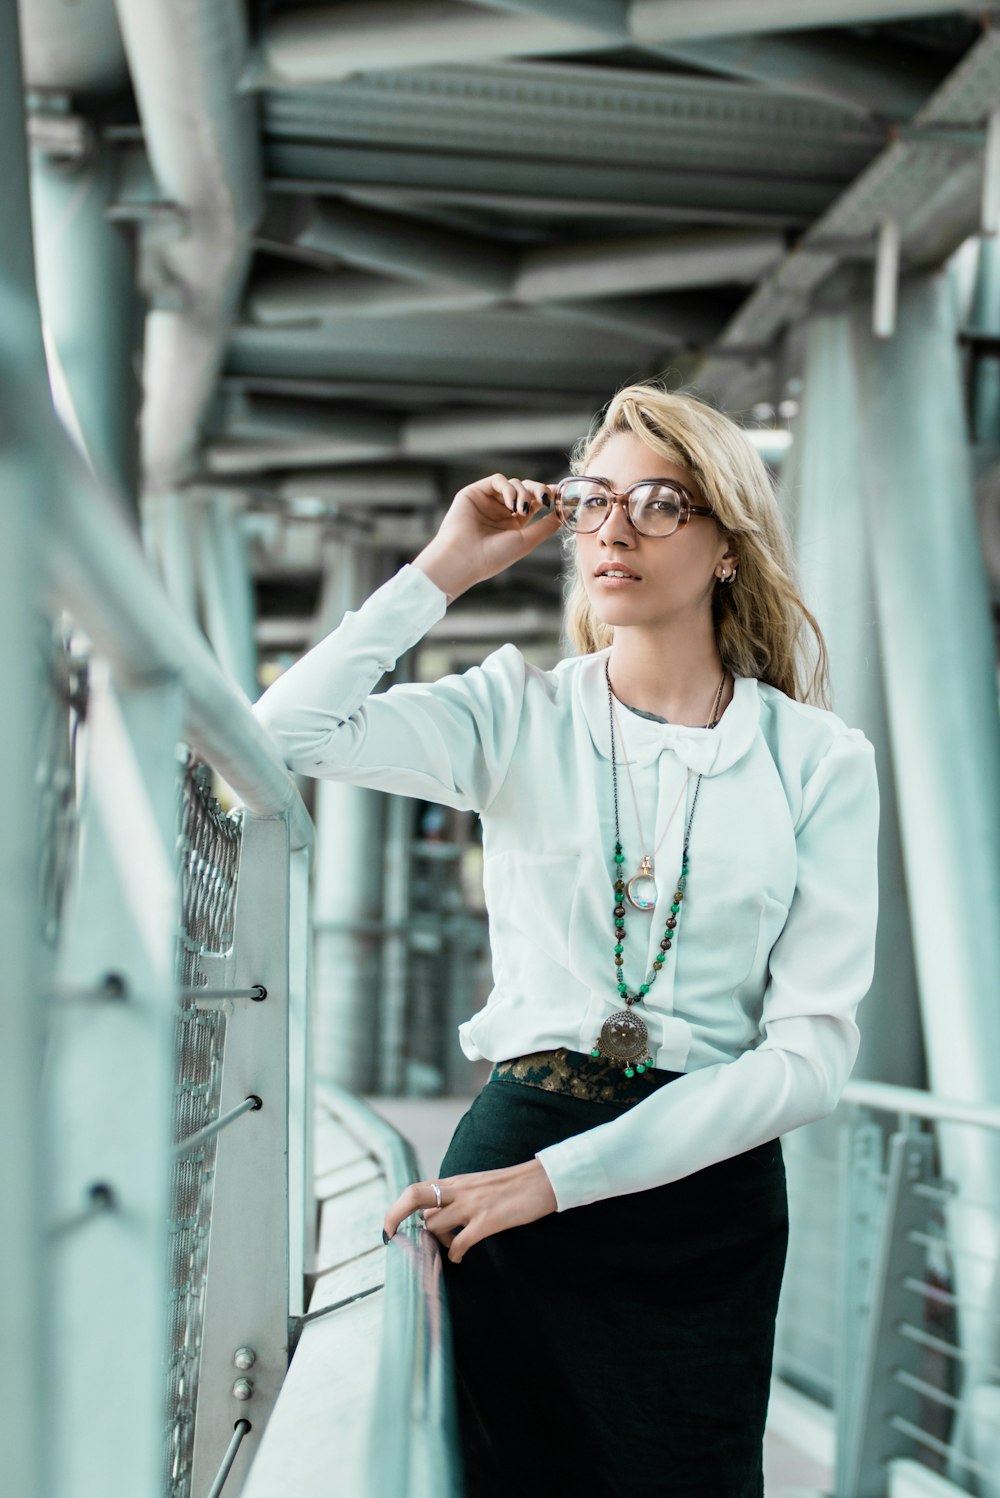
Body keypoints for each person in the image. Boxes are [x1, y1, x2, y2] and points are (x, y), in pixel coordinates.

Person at [253, 383, 879, 1498]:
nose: (613, 529)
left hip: (703, 1190)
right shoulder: (514, 712)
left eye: (658, 503)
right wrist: (445, 568)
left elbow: (811, 1056)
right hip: (517, 1156)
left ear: (728, 545)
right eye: (591, 501)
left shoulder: (817, 759)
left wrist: (559, 1179)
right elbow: (283, 732)